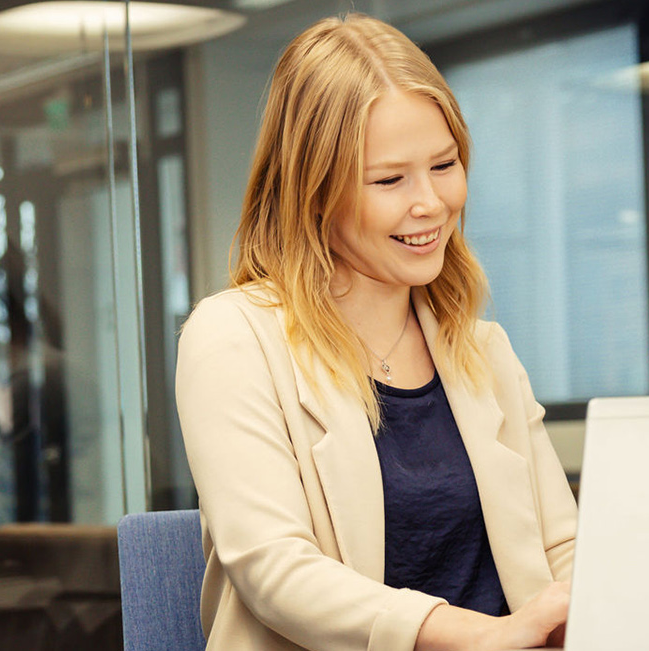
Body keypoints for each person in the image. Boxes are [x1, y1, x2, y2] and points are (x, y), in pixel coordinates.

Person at [174, 13, 577, 651]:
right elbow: (276, 571)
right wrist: (487, 635)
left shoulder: (482, 348)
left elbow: (562, 548)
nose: (431, 203)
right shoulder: (233, 338)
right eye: (390, 180)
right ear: (313, 192)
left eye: (444, 165)